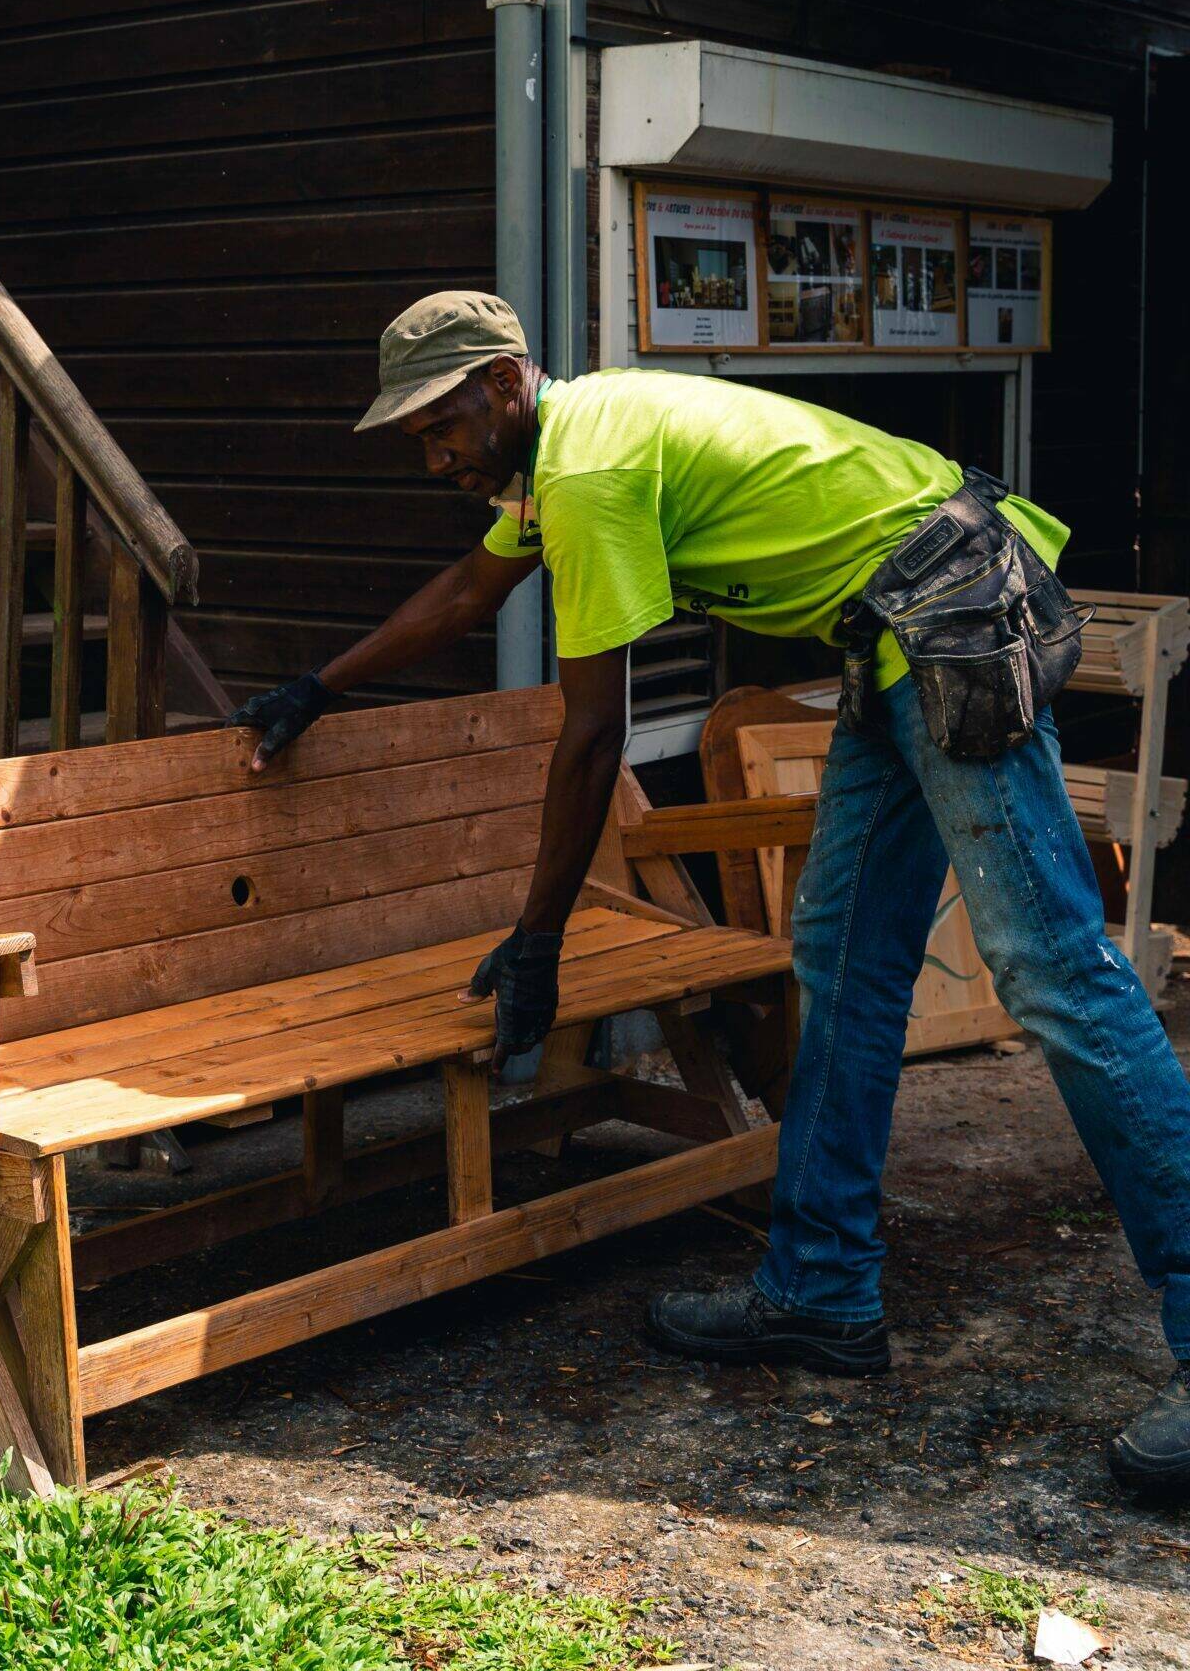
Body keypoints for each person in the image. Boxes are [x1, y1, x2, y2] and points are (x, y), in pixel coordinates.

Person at [228, 290, 1190, 1499]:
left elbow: (592, 737)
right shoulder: (554, 462)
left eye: (441, 424)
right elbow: (467, 596)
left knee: (1052, 970)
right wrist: (318, 687)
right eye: (415, 438)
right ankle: (823, 1290)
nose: (435, 456)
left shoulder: (590, 470)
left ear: (508, 383)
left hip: (947, 615)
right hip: (895, 631)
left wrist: (536, 943)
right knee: (841, 960)